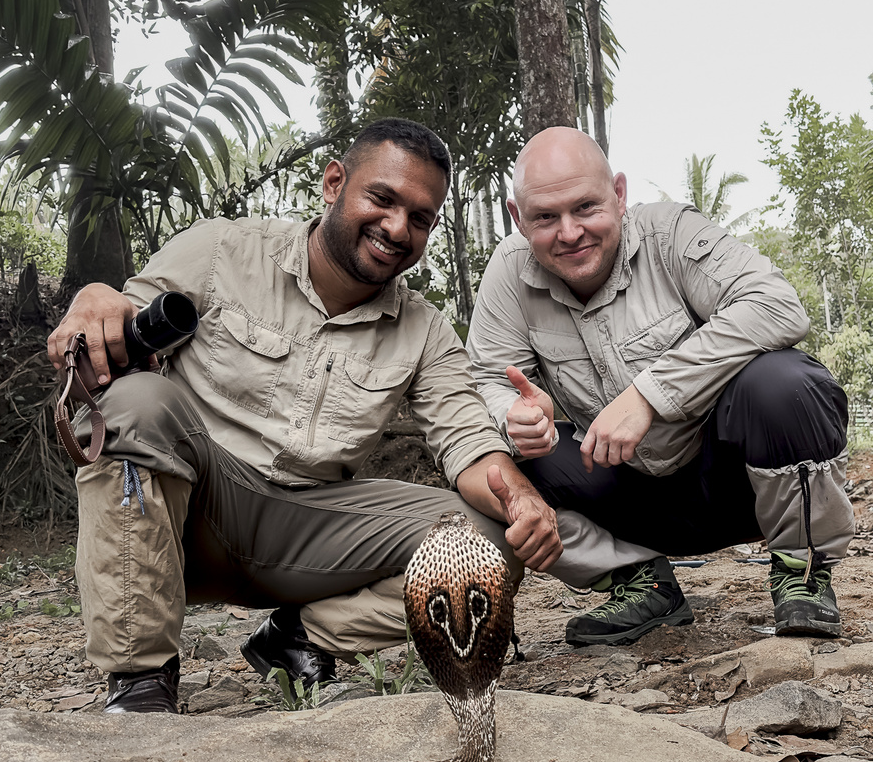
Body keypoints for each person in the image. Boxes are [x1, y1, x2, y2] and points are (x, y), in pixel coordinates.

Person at [47, 118, 650, 713]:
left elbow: (468, 440)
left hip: (309, 532)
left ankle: (303, 638)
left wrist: (523, 503)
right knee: (134, 402)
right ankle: (140, 684)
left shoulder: (425, 329)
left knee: (488, 539)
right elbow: (120, 312)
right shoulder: (222, 250)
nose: (396, 228)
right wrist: (93, 298)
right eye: (382, 199)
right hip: (188, 514)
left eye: (420, 218)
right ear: (335, 183)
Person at [466, 127, 854, 646]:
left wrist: (649, 394)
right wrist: (512, 414)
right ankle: (639, 583)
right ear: (518, 218)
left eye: (586, 207)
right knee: (490, 465)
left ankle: (801, 572)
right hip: (624, 501)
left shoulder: (671, 232)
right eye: (545, 218)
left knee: (785, 382)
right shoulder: (508, 274)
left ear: (619, 194)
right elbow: (488, 380)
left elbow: (776, 304)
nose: (569, 232)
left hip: (738, 485)